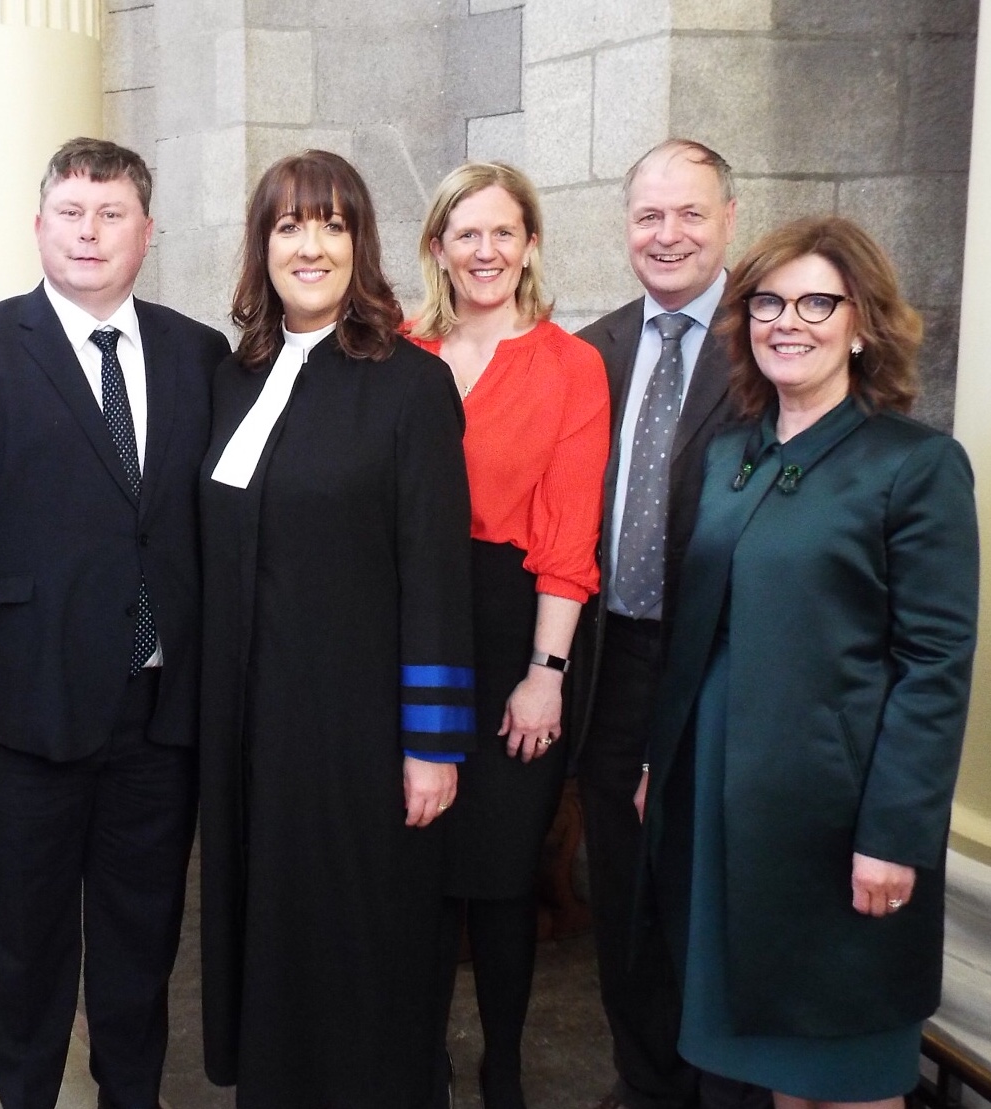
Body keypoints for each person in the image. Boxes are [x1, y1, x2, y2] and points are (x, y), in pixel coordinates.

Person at [0, 137, 229, 1109]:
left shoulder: (195, 352)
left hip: (158, 716)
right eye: (71, 212)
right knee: (29, 950)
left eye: (111, 213)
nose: (89, 232)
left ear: (146, 232)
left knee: (140, 942)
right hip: (18, 713)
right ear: (39, 225)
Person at [640, 215, 978, 1109]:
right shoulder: (728, 458)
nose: (787, 321)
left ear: (861, 321)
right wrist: (658, 761)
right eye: (768, 302)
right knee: (766, 1058)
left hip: (840, 822)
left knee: (847, 1064)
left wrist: (893, 836)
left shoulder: (915, 464)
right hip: (722, 803)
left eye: (816, 301)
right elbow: (695, 629)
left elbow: (936, 662)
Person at [198, 149, 476, 1109]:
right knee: (269, 937)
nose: (308, 246)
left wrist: (431, 745)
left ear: (360, 245)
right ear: (260, 246)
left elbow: (440, 577)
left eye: (330, 224)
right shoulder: (234, 378)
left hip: (357, 734)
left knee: (360, 945)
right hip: (250, 730)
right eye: (287, 226)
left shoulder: (408, 384)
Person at [406, 161, 609, 1109]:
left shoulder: (571, 366)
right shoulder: (396, 351)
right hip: (404, 626)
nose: (483, 251)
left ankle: (506, 1066)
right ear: (436, 247)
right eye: (464, 233)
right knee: (413, 860)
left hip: (512, 625)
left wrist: (546, 671)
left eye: (502, 232)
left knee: (495, 872)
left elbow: (568, 537)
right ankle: (419, 1059)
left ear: (529, 244)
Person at [573, 139, 755, 1109]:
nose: (668, 233)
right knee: (622, 904)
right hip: (609, 665)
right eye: (649, 215)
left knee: (703, 901)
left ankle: (710, 1089)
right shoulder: (591, 350)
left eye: (689, 213)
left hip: (719, 669)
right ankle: (641, 1082)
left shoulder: (766, 343)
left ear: (730, 217)